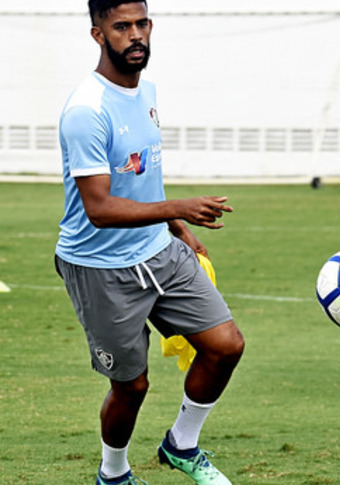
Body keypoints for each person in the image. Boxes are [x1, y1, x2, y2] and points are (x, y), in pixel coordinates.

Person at [55, 1, 245, 484]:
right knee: (132, 385)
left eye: (141, 24)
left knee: (225, 346)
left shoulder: (147, 92)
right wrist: (179, 208)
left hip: (158, 249)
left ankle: (181, 445)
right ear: (98, 35)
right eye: (121, 27)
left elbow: (139, 176)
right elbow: (99, 208)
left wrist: (177, 227)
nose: (135, 35)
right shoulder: (86, 111)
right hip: (99, 266)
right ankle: (113, 473)